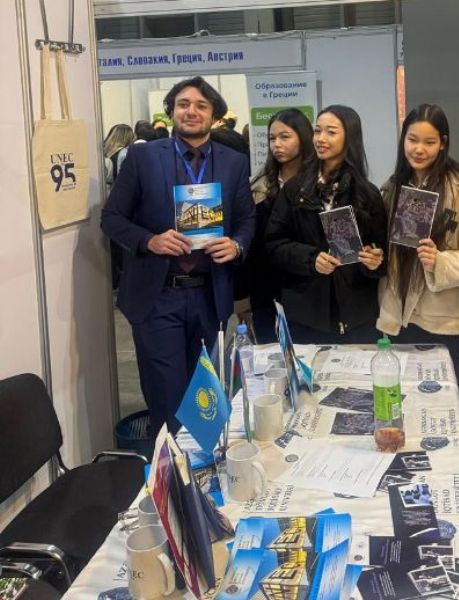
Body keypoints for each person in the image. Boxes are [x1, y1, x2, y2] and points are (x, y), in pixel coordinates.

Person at [101, 76, 255, 434]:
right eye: (183, 104)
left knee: (205, 394)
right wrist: (149, 241)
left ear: (214, 115)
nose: (191, 111)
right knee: (167, 397)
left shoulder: (234, 162)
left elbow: (247, 219)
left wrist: (237, 244)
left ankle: (206, 463)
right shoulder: (142, 157)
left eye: (201, 105)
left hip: (209, 293)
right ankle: (172, 467)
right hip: (158, 295)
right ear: (171, 111)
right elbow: (111, 218)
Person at [376, 104, 459, 437]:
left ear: (443, 144)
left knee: (458, 412)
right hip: (399, 319)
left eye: (429, 142)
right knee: (407, 410)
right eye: (412, 140)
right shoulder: (393, 186)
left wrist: (440, 261)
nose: (419, 149)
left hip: (445, 321)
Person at [265, 105, 387, 344]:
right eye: (317, 131)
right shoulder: (295, 189)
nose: (320, 138)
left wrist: (375, 261)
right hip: (306, 315)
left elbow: (383, 251)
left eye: (331, 132)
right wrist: (311, 259)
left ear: (349, 137)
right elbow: (274, 245)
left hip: (357, 317)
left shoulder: (367, 194)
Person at [248, 109, 316, 343]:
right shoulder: (259, 187)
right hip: (265, 287)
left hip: (308, 287)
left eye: (285, 137)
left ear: (304, 138)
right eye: (272, 138)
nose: (276, 144)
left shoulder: (319, 185)